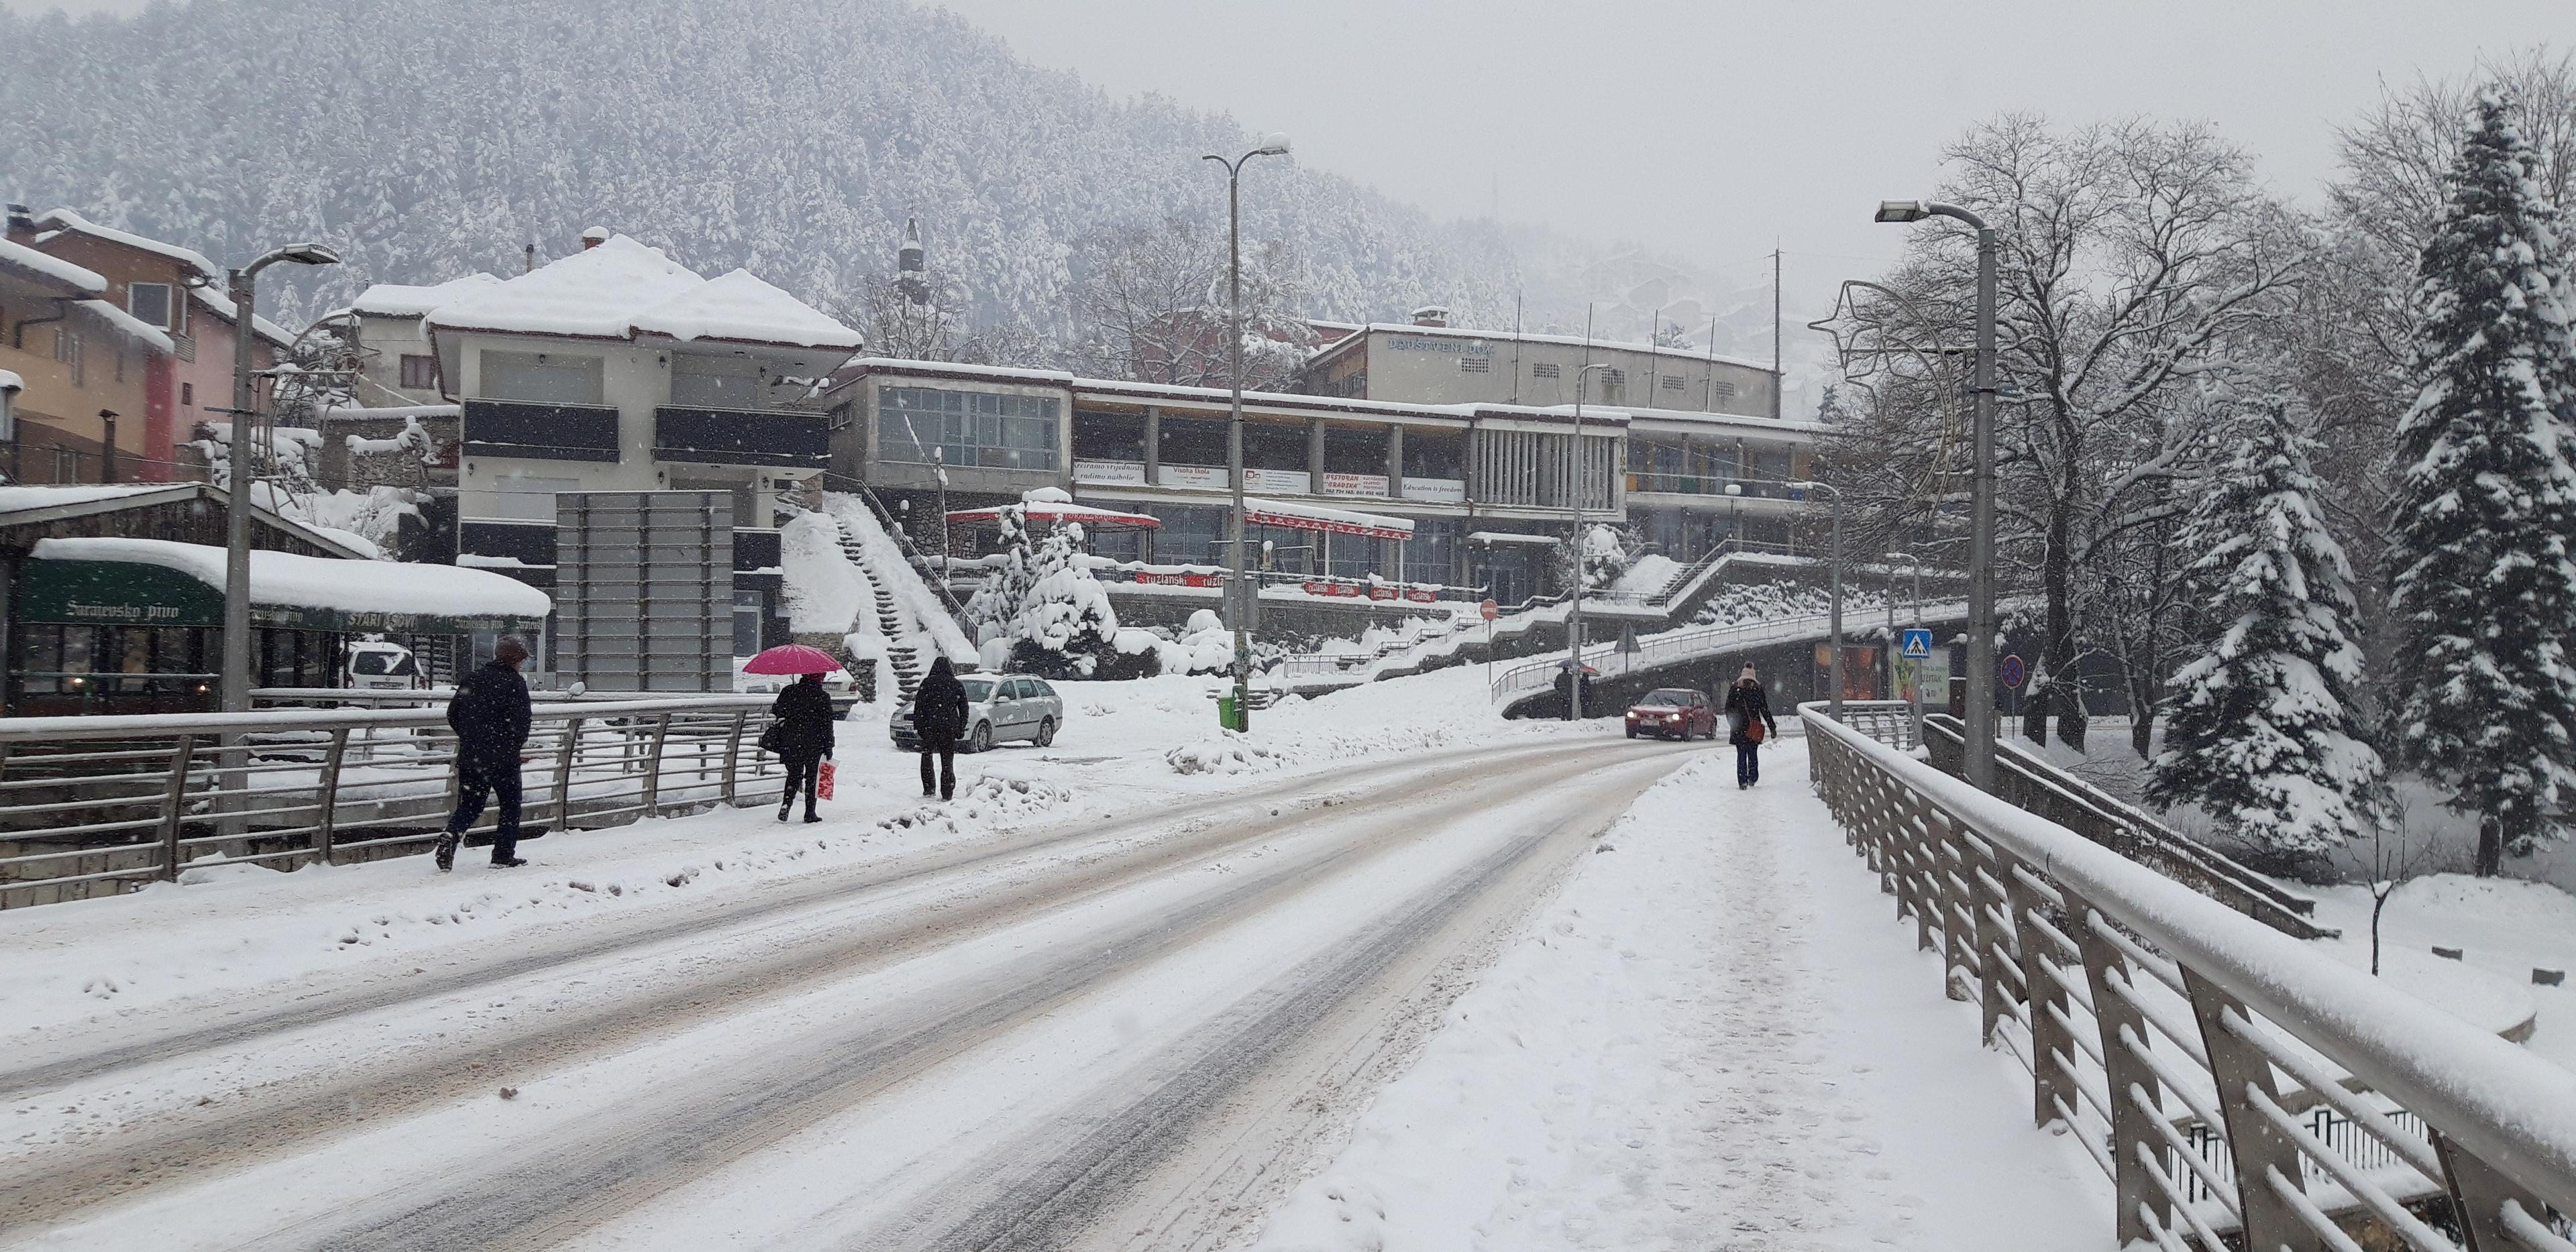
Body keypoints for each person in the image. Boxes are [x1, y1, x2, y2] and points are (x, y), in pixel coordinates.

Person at [437, 637, 534, 870]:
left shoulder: (473, 678)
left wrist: (472, 738)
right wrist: (512, 745)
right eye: (521, 660)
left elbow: (453, 713)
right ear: (515, 660)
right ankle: (502, 856)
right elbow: (522, 723)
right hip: (504, 758)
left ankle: (452, 834)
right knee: (510, 806)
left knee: (471, 804)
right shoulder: (515, 684)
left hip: (473, 756)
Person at [769, 671, 837, 823]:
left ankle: (786, 804)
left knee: (794, 774)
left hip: (791, 741)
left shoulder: (789, 691)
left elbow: (777, 710)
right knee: (812, 778)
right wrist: (829, 746)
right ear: (820, 678)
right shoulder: (823, 697)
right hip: (814, 743)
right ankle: (810, 813)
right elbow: (827, 724)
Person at [911, 656, 969, 801]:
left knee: (927, 756)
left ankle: (929, 787)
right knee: (947, 759)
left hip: (930, 727)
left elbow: (919, 708)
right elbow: (964, 708)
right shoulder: (956, 685)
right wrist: (961, 727)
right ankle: (947, 789)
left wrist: (920, 727)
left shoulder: (927, 684)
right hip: (948, 727)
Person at [1723, 664, 1778, 791]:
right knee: (1753, 754)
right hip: (1753, 728)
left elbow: (1728, 708)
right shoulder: (1757, 690)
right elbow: (1764, 709)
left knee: (1741, 754)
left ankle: (1742, 781)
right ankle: (1752, 778)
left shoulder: (1735, 689)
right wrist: (1772, 726)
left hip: (1738, 728)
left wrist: (1733, 722)